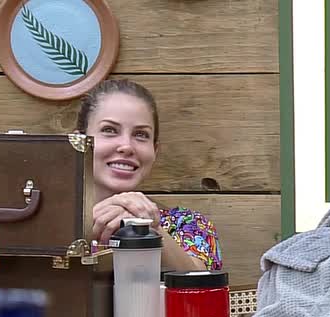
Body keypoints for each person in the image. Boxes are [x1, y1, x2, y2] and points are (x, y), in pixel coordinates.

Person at [75, 79, 222, 272]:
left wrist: (148, 227)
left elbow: (201, 282)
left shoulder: (186, 224)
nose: (126, 146)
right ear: (78, 142)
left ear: (155, 150)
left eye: (141, 134)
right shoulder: (48, 222)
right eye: (109, 130)